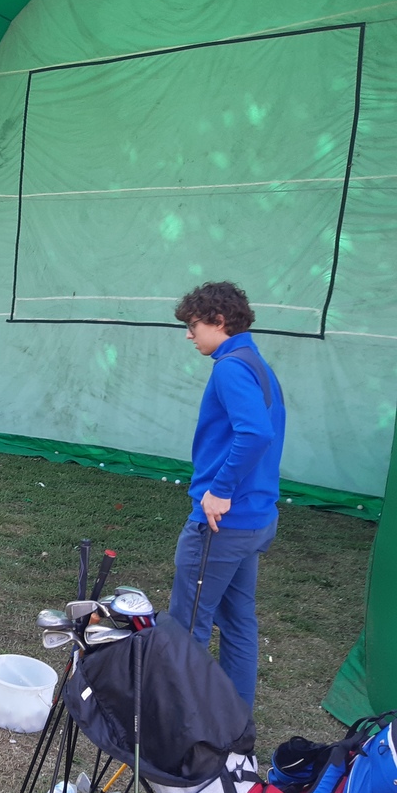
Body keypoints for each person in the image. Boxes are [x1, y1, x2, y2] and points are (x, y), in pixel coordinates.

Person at [167, 281, 286, 708]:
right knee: (238, 622)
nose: (189, 335)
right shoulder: (255, 363)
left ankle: (184, 723)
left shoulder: (231, 367)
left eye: (193, 326)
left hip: (223, 524)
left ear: (218, 321)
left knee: (187, 626)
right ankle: (235, 720)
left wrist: (219, 490)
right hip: (254, 520)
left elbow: (255, 434)